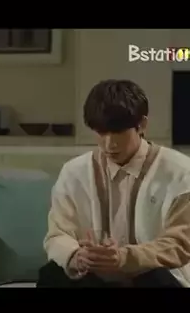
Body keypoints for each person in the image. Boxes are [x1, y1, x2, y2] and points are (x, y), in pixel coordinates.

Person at [38, 79, 190, 288]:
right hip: (92, 276)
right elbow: (58, 234)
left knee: (156, 278)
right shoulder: (74, 172)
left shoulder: (180, 172)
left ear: (142, 125)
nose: (110, 144)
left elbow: (179, 244)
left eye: (119, 132)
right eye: (101, 132)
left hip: (153, 277)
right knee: (52, 274)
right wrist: (77, 256)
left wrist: (124, 258)